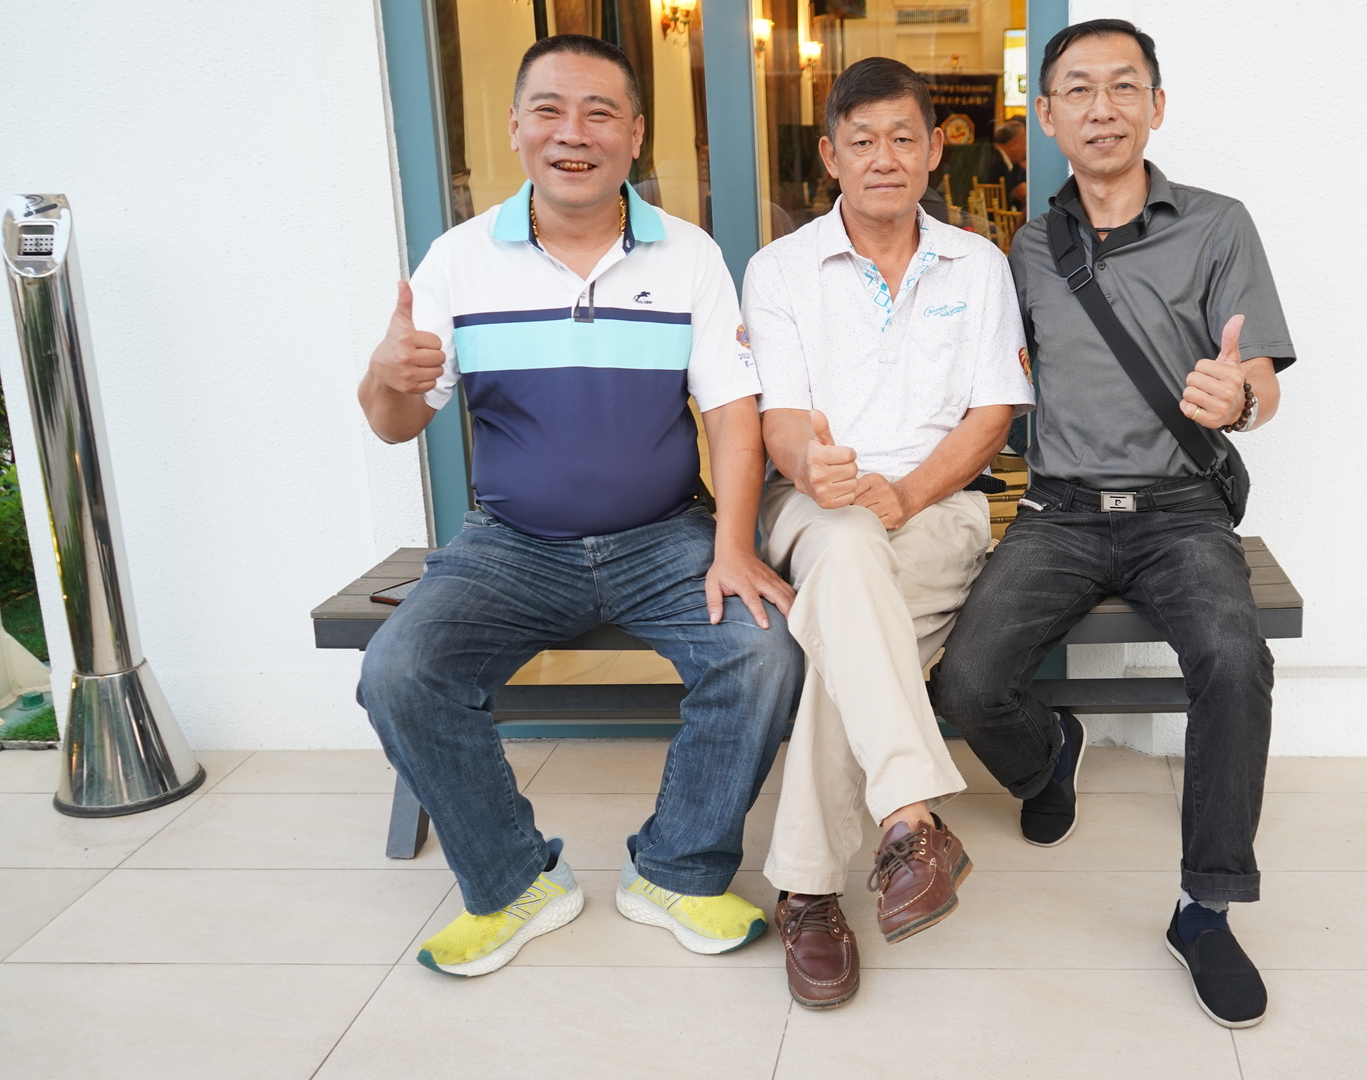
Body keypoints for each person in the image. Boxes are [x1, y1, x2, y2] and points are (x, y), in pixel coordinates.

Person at [356, 34, 803, 977]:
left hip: (663, 538)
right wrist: (386, 376)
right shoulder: (458, 260)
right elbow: (395, 424)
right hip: (511, 546)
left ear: (634, 135)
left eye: (600, 113)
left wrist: (733, 545)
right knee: (400, 670)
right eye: (550, 110)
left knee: (761, 655)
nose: (574, 132)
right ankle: (513, 882)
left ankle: (677, 872)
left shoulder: (687, 254)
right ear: (514, 126)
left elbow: (733, 413)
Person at [931, 19, 1290, 1028]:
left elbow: (1260, 374)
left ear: (1155, 106)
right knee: (965, 683)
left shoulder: (1218, 226)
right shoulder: (1022, 249)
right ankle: (1049, 752)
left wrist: (1240, 398)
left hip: (1181, 511)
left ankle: (1204, 909)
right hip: (1060, 511)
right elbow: (982, 379)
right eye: (1078, 90)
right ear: (1045, 116)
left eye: (1123, 86)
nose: (1102, 107)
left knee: (1234, 660)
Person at [742, 57, 1034, 1010]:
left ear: (934, 148)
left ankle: (809, 893)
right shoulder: (780, 270)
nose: (883, 158)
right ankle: (909, 817)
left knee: (848, 638)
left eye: (902, 138)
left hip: (937, 505)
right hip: (816, 505)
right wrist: (810, 467)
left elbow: (992, 413)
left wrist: (905, 495)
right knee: (845, 546)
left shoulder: (977, 264)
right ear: (829, 156)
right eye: (860, 141)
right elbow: (781, 419)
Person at [977, 118, 1029, 212]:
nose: (1026, 149)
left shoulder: (992, 156)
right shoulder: (998, 165)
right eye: (1025, 143)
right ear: (1014, 144)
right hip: (999, 217)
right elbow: (1022, 195)